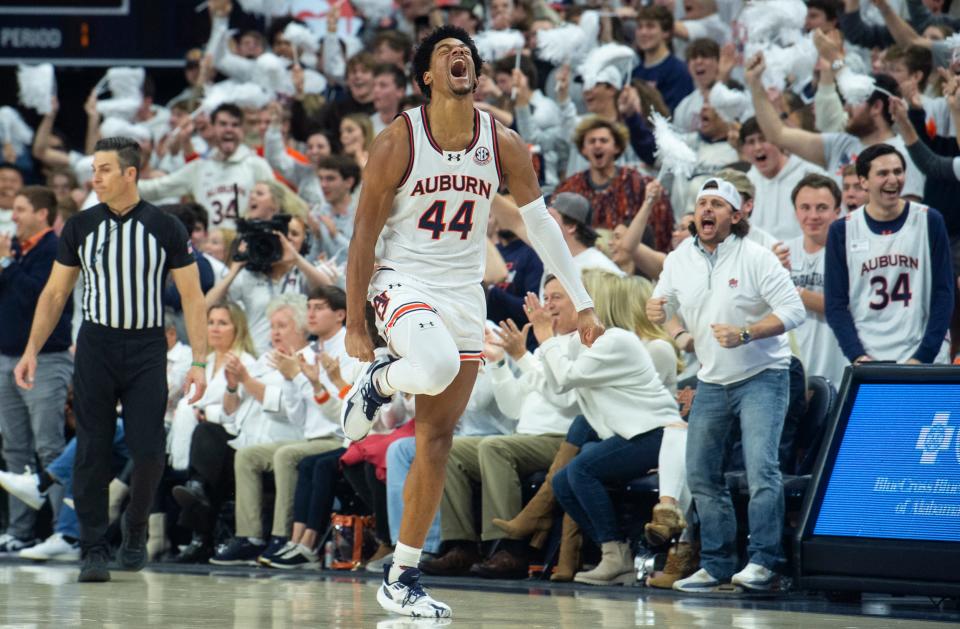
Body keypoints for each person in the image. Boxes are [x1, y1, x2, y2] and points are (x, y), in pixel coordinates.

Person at [341, 25, 603, 618]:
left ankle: (402, 575)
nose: (460, 56)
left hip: (464, 293)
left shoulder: (502, 141)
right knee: (428, 367)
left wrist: (583, 299)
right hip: (402, 279)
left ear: (476, 73)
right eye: (445, 53)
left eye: (467, 52)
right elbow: (362, 236)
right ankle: (378, 382)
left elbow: (540, 225)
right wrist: (356, 322)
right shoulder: (398, 139)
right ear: (426, 77)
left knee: (436, 439)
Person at [13, 136, 208, 583]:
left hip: (145, 347)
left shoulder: (165, 226)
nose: (94, 178)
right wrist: (31, 351)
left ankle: (134, 528)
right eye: (93, 169)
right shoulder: (81, 226)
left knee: (148, 452)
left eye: (103, 169)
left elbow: (194, 298)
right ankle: (93, 547)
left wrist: (199, 361)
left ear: (130, 174)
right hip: (96, 345)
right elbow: (56, 293)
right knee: (91, 451)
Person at [648, 178, 805, 592]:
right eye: (702, 203)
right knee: (700, 473)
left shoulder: (757, 257)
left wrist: (748, 333)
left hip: (763, 376)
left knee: (761, 470)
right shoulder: (680, 257)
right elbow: (661, 307)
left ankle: (765, 562)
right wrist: (678, 332)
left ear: (735, 216)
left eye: (717, 204)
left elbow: (793, 311)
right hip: (712, 380)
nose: (707, 210)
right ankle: (717, 564)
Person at [825, 144, 954, 364]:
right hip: (869, 356)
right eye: (883, 173)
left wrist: (923, 355)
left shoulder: (929, 220)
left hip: (925, 353)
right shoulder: (842, 230)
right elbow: (835, 304)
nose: (893, 180)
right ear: (864, 181)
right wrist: (856, 355)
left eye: (898, 172)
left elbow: (944, 293)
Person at [0, 186, 72, 554]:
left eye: (21, 209)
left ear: (43, 214)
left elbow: (39, 297)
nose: (13, 216)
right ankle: (20, 531)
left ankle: (64, 532)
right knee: (15, 449)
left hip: (47, 360)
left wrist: (6, 264)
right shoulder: (18, 250)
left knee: (49, 447)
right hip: (6, 358)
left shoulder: (55, 250)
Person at [138, 104, 275, 230]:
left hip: (245, 245)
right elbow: (156, 189)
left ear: (242, 131)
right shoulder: (198, 168)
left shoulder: (257, 165)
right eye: (223, 124)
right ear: (213, 127)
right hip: (210, 246)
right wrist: (120, 184)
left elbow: (278, 201)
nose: (229, 129)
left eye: (235, 125)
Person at [783, 174, 849, 386]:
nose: (813, 215)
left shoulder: (850, 252)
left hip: (838, 369)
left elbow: (846, 307)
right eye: (805, 207)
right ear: (795, 212)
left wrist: (789, 290)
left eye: (821, 208)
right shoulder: (781, 253)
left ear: (837, 212)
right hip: (792, 372)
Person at [631, 5, 695, 112]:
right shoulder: (634, 73)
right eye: (639, 27)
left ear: (666, 32)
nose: (643, 32)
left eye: (650, 26)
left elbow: (672, 116)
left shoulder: (678, 71)